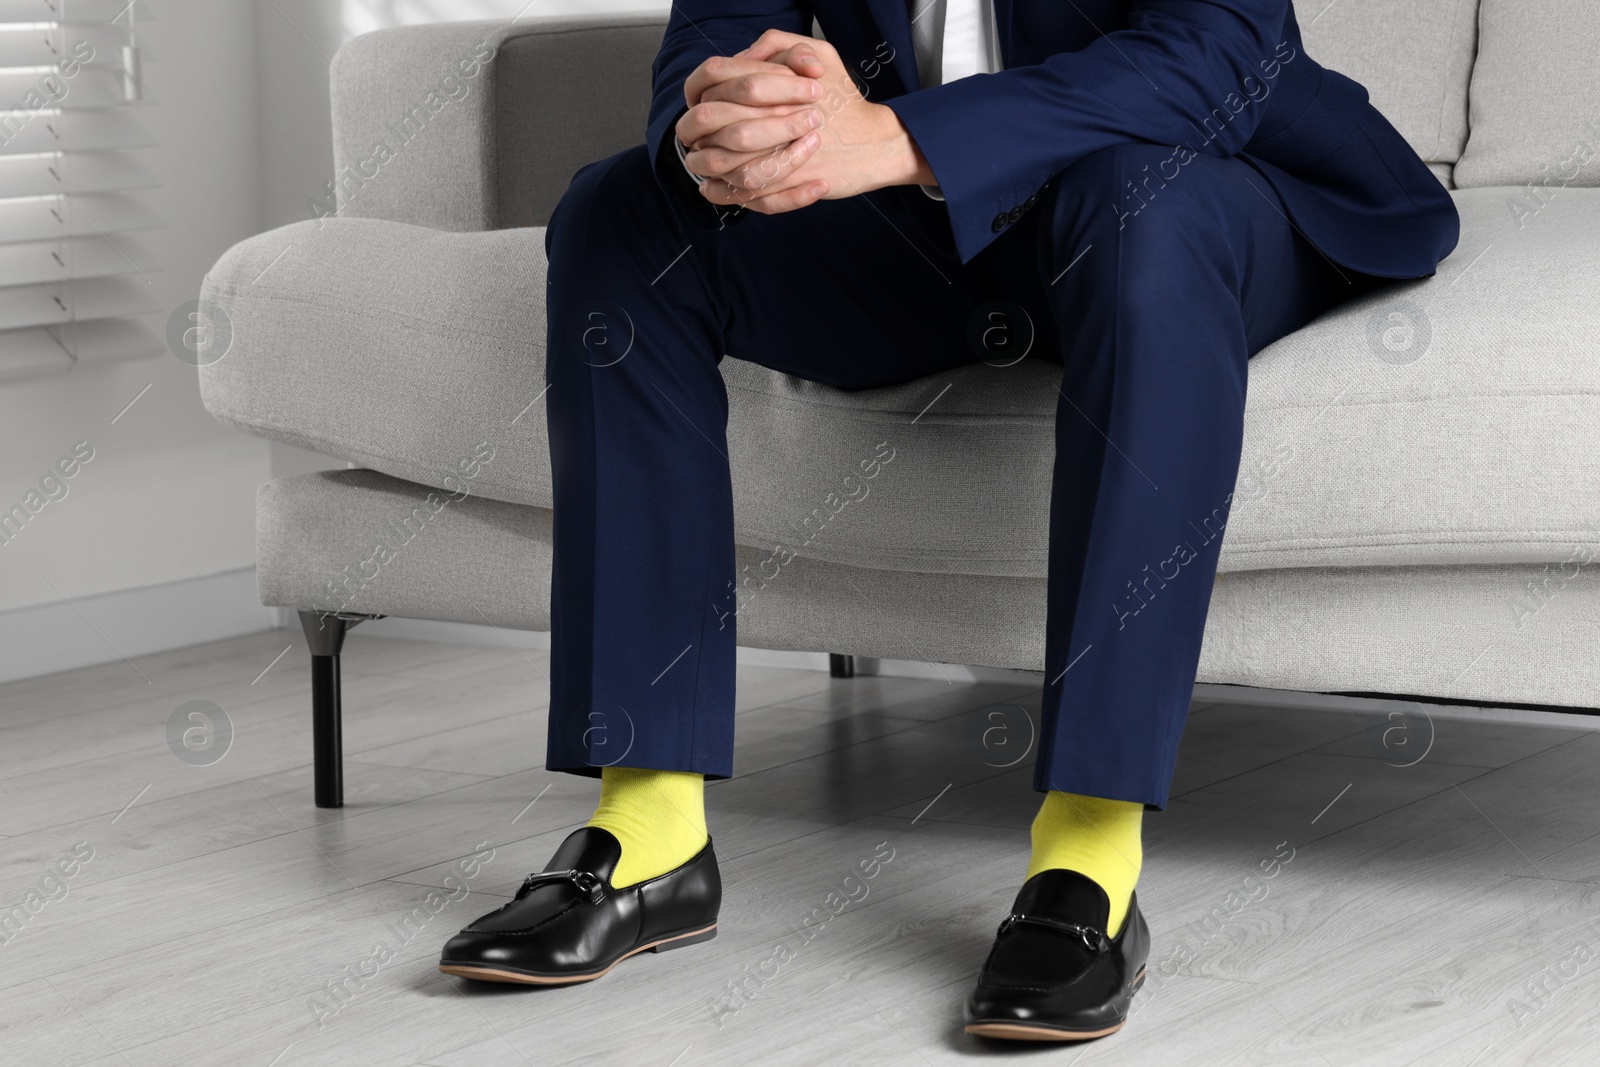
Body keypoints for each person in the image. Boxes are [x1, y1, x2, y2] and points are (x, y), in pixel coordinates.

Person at [438, 0, 1459, 1042]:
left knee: (1135, 205)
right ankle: (649, 828)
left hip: (1192, 172)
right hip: (909, 218)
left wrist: (906, 136)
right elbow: (718, 32)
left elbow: (1217, 48)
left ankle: (1085, 856)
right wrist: (730, 118)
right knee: (622, 209)